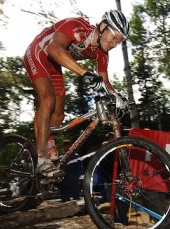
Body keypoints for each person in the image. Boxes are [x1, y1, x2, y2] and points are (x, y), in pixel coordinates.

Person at [23, 10, 130, 177]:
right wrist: (84, 72)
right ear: (103, 26)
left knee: (58, 115)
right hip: (38, 53)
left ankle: (47, 143)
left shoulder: (102, 53)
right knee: (48, 100)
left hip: (53, 64)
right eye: (114, 37)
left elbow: (104, 81)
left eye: (119, 42)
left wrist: (117, 96)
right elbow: (53, 47)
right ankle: (42, 158)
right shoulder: (77, 27)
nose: (115, 44)